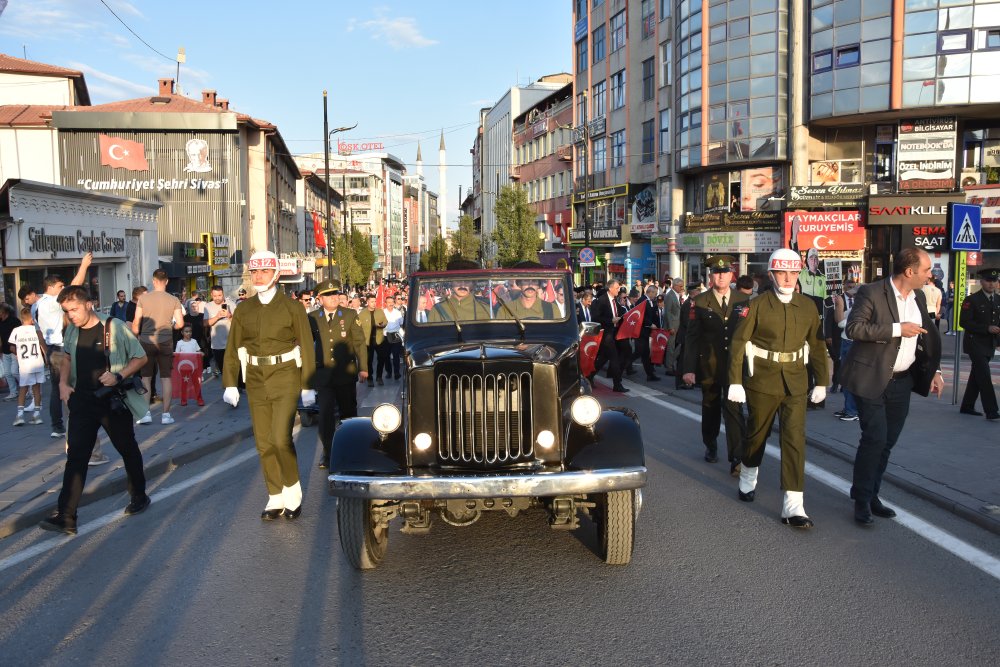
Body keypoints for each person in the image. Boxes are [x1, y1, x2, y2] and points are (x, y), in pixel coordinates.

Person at [842, 248, 944, 525]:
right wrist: (897, 328)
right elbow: (854, 329)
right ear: (909, 272)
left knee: (887, 442)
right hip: (871, 377)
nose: (930, 275)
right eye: (926, 270)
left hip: (902, 381)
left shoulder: (918, 296)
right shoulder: (872, 292)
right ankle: (862, 500)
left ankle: (873, 494)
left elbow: (926, 336)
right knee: (874, 439)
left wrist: (934, 370)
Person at [727, 248, 828, 529]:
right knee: (757, 434)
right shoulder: (755, 305)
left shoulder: (808, 306)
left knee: (795, 440)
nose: (787, 278)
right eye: (782, 272)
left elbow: (817, 345)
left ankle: (793, 505)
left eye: (793, 272)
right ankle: (748, 474)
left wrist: (822, 381)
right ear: (771, 275)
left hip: (795, 381)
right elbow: (738, 343)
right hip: (762, 381)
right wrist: (735, 381)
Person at [39, 285, 151, 535]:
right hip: (82, 401)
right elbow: (67, 357)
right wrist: (63, 383)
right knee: (76, 457)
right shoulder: (72, 329)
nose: (71, 315)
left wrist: (118, 375)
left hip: (111, 401)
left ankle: (139, 495)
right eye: (67, 311)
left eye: (74, 309)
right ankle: (66, 516)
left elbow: (141, 357)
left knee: (127, 449)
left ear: (89, 304)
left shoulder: (114, 327)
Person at [222, 250, 315, 520]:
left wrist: (308, 385)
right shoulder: (244, 309)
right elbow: (232, 347)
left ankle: (292, 492)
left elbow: (307, 346)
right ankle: (275, 495)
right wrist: (230, 383)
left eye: (264, 271)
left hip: (285, 375)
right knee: (264, 443)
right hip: (255, 377)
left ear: (276, 274)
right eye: (254, 272)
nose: (258, 276)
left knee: (280, 438)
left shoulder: (292, 307)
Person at [682, 256, 749, 473]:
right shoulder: (700, 301)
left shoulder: (743, 300)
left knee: (734, 410)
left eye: (725, 272)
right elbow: (692, 337)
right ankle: (710, 445)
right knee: (710, 408)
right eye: (717, 273)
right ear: (711, 276)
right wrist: (689, 369)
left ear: (732, 275)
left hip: (734, 366)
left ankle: (737, 457)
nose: (721, 277)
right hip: (709, 365)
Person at [308, 280, 368, 469]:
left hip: (345, 373)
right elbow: (307, 345)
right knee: (325, 416)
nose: (333, 297)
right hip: (323, 375)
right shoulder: (312, 317)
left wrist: (363, 367)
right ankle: (328, 452)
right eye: (328, 295)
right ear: (320, 299)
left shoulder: (349, 315)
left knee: (348, 414)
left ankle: (351, 451)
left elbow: (359, 342)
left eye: (335, 293)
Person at [132, 269, 184, 425]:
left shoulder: (143, 299)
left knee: (146, 378)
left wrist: (137, 336)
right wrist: (171, 327)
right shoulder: (173, 299)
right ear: (166, 281)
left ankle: (145, 414)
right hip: (166, 341)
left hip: (146, 341)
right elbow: (180, 324)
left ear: (153, 281)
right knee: (166, 378)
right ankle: (166, 415)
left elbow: (136, 323)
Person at [958, 268, 1000, 421]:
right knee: (984, 376)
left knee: (977, 375)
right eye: (988, 281)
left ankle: (967, 406)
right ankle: (991, 410)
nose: (991, 284)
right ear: (981, 281)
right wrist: (986, 328)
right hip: (974, 343)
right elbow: (964, 322)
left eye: (994, 281)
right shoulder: (972, 300)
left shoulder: (998, 299)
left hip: (989, 344)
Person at [589, 278, 628, 393]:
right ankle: (617, 384)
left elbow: (619, 313)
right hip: (606, 334)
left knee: (604, 358)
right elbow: (596, 317)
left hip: (614, 332)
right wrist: (611, 320)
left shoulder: (615, 300)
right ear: (610, 288)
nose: (618, 290)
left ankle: (589, 376)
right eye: (617, 288)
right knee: (614, 357)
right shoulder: (602, 300)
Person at [10, 307, 47, 426]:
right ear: (32, 319)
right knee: (37, 389)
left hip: (25, 364)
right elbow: (42, 345)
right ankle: (37, 415)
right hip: (37, 362)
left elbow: (12, 347)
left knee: (23, 388)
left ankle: (20, 415)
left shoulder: (16, 330)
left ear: (22, 319)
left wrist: (18, 354)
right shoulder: (37, 330)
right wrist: (47, 359)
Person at [832, 279, 860, 422]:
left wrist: (840, 305)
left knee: (849, 379)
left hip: (851, 342)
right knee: (847, 378)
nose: (852, 296)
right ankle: (849, 408)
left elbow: (842, 323)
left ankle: (852, 410)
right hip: (848, 341)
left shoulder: (860, 309)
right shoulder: (855, 308)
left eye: (854, 294)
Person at [202, 285, 236, 377]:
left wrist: (229, 316)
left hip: (231, 343)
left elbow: (238, 323)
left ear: (223, 294)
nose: (217, 298)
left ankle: (234, 384)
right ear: (211, 295)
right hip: (217, 344)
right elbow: (205, 323)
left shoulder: (231, 304)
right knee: (223, 370)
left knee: (233, 369)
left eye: (219, 295)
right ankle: (227, 384)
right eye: (215, 296)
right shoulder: (208, 306)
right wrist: (217, 317)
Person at [674, 283, 701, 390]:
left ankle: (695, 380)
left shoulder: (693, 303)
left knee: (693, 358)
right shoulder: (687, 305)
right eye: (698, 291)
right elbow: (687, 322)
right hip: (686, 336)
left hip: (691, 336)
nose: (700, 293)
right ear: (694, 292)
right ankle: (680, 381)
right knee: (683, 359)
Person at [358, 294, 389, 387]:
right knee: (369, 361)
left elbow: (385, 321)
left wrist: (382, 325)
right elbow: (358, 327)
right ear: (367, 302)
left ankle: (379, 377)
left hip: (379, 339)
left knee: (381, 359)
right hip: (367, 341)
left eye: (375, 301)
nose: (374, 303)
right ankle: (370, 378)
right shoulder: (362, 314)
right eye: (372, 301)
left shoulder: (380, 311)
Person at [634, 284, 662, 381]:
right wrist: (650, 324)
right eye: (655, 293)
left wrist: (657, 326)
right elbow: (640, 316)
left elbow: (653, 315)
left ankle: (650, 375)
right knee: (638, 353)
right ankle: (620, 369)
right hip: (641, 332)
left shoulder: (650, 301)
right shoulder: (642, 301)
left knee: (645, 354)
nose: (656, 295)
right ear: (650, 292)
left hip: (646, 332)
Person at [664, 278, 683, 374]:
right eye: (680, 286)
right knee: (670, 347)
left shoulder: (676, 295)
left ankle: (670, 363)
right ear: (675, 285)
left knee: (678, 345)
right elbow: (668, 312)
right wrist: (671, 327)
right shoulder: (669, 295)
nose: (682, 288)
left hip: (677, 324)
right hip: (672, 325)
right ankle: (669, 367)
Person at [1, 303, 20, 401]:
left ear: (3, 312)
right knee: (7, 373)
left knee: (14, 372)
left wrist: (15, 346)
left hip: (14, 350)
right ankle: (13, 392)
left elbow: (19, 334)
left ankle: (28, 389)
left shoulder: (14, 321)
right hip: (5, 351)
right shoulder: (0, 322)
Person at [383, 294, 404, 380]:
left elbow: (401, 323)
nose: (391, 304)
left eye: (392, 302)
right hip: (386, 336)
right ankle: (389, 372)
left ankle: (396, 373)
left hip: (395, 335)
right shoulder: (382, 312)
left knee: (396, 355)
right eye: (389, 302)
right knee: (386, 355)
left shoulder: (398, 313)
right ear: (385, 303)